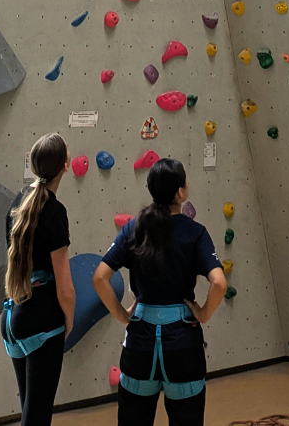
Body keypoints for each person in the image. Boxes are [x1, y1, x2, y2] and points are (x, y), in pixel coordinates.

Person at [93, 157, 227, 426]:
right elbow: (219, 283)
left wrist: (122, 316)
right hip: (183, 344)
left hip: (140, 343)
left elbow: (100, 278)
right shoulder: (196, 233)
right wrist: (203, 313)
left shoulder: (133, 228)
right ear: (181, 192)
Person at [3, 133, 77, 426]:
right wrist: (68, 321)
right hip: (42, 320)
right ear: (65, 166)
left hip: (13, 314)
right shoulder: (54, 211)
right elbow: (65, 287)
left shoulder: (19, 200)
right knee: (37, 417)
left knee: (29, 412)